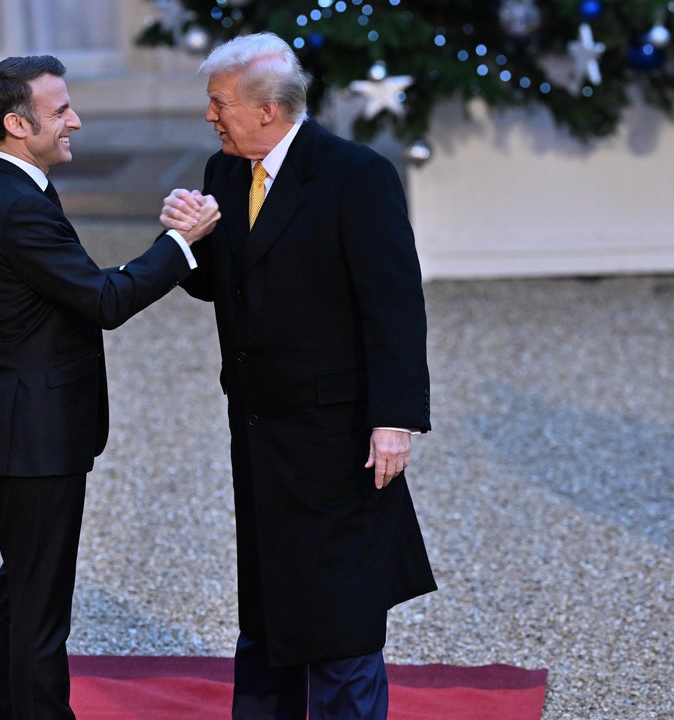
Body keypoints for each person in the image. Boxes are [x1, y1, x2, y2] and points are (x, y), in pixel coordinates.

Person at [160, 32, 435, 719]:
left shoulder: (356, 175)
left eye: (218, 102)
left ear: (267, 109)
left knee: (338, 607)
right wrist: (188, 245)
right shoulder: (223, 172)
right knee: (267, 595)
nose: (209, 116)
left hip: (333, 430)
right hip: (256, 425)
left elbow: (394, 307)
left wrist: (393, 421)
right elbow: (230, 285)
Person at [0, 55, 219, 719]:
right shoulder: (17, 205)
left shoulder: (6, 190)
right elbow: (103, 298)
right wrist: (180, 242)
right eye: (60, 110)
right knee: (39, 607)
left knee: (24, 595)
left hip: (23, 421)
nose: (76, 120)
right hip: (37, 430)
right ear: (18, 124)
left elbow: (74, 286)